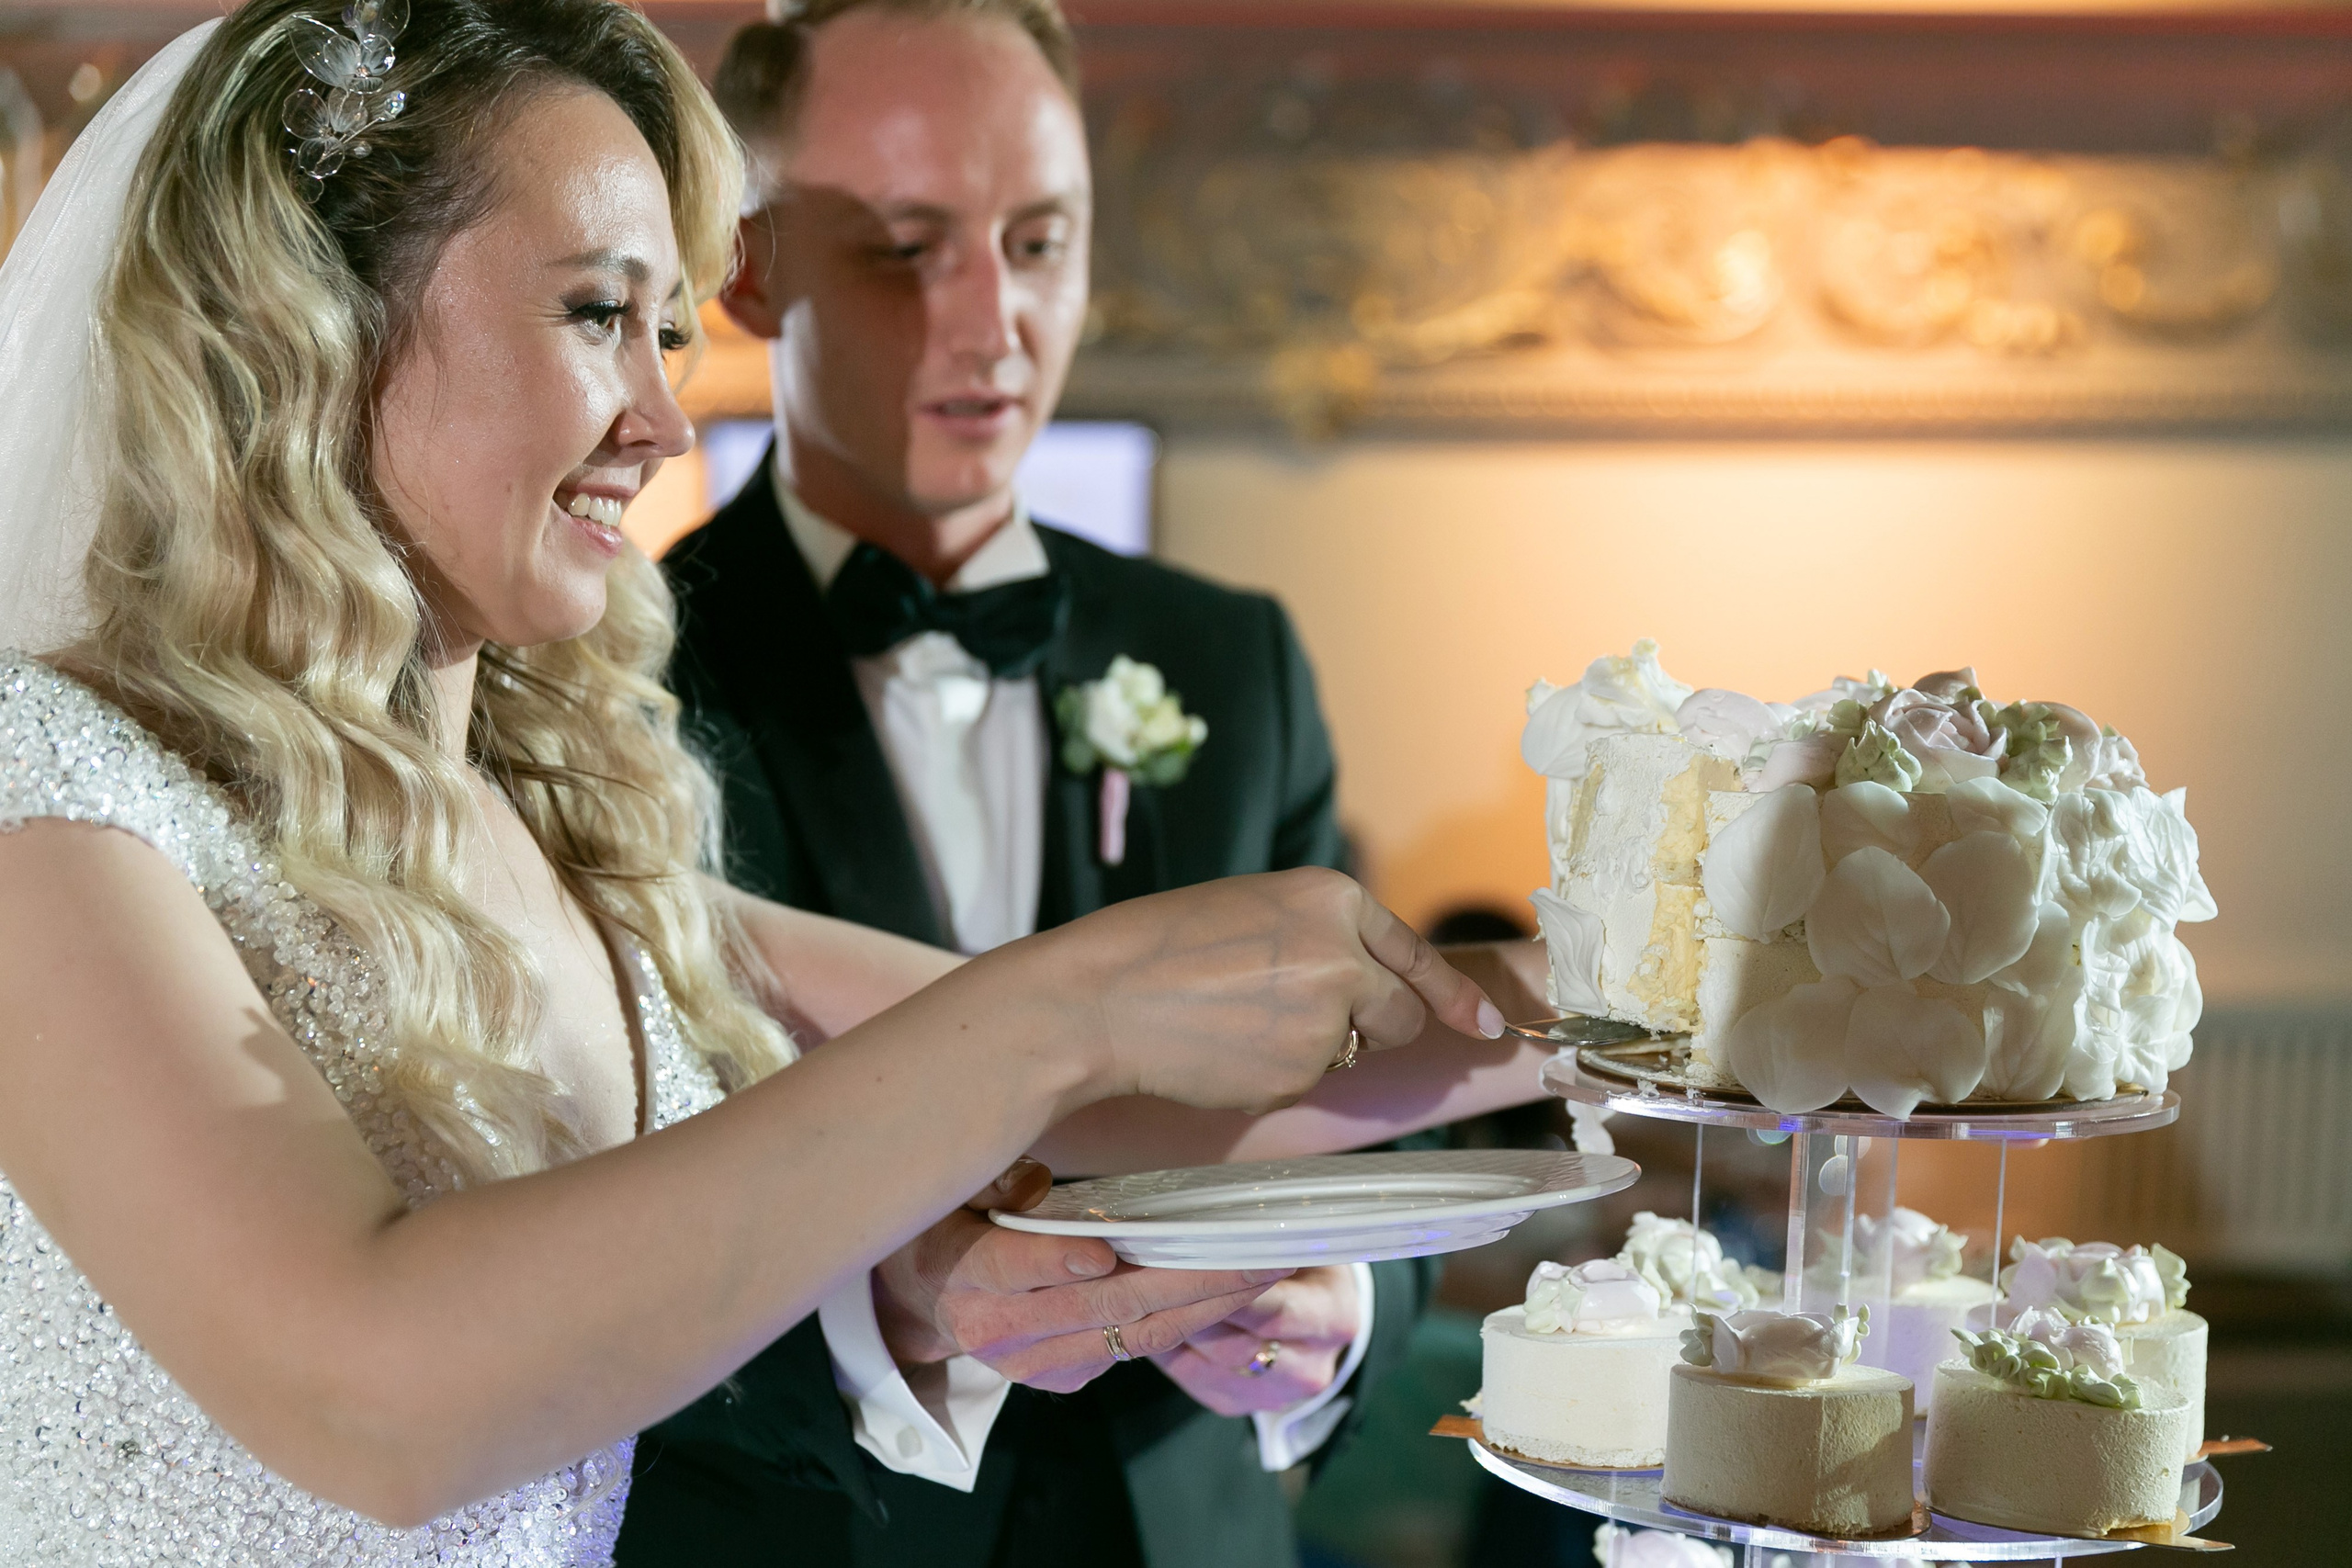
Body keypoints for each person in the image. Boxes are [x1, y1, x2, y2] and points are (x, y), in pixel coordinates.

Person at [0, 3, 1545, 1563]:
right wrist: (1057, 1004)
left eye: (668, 332)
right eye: (600, 313)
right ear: (315, 323)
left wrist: (1664, 1003)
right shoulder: (47, 798)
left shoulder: (573, 847)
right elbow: (371, 1400)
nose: (668, 422)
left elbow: (1130, 1096)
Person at [616, 4, 1555, 1566]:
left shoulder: (1231, 661)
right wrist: (891, 1308)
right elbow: (586, 1230)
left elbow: (1370, 1104)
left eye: (1040, 242)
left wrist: (1339, 1307)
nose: (996, 326)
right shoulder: (616, 688)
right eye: (907, 251)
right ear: (754, 267)